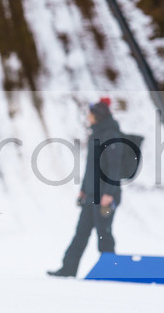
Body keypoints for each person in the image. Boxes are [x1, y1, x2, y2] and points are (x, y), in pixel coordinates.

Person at [48, 98, 123, 277]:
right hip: (91, 194)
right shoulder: (95, 135)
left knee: (103, 234)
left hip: (105, 196)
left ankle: (111, 271)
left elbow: (115, 169)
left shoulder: (111, 135)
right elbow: (91, 168)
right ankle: (68, 269)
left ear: (98, 115)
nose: (88, 117)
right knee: (81, 233)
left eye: (90, 114)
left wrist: (109, 194)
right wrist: (83, 189)